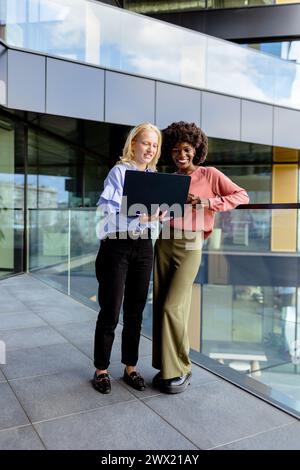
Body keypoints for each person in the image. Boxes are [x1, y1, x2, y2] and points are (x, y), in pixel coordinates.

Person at [152, 121, 249, 394]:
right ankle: (166, 366)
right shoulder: (169, 178)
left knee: (174, 306)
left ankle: (182, 368)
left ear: (195, 149)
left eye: (185, 149)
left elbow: (241, 195)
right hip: (165, 241)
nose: (180, 155)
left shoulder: (210, 174)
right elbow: (162, 210)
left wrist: (206, 203)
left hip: (191, 244)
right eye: (174, 151)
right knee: (161, 304)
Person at [93, 123, 165, 394]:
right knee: (111, 308)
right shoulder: (119, 172)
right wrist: (140, 217)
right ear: (133, 143)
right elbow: (107, 213)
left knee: (135, 310)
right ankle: (101, 369)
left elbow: (159, 212)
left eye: (155, 145)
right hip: (117, 246)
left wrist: (161, 214)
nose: (150, 149)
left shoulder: (155, 176)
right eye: (146, 143)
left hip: (144, 246)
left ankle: (130, 367)